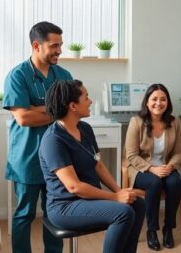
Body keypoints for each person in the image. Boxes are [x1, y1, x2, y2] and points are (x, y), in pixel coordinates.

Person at [39, 80, 145, 253]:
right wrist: (115, 198)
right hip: (65, 206)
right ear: (73, 105)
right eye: (86, 97)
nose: (90, 102)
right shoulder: (53, 139)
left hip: (87, 199)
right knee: (123, 213)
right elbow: (74, 187)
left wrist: (120, 192)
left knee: (137, 205)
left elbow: (98, 165)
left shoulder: (85, 129)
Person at [3, 21, 73, 253]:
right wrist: (55, 110)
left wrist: (38, 108)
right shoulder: (18, 75)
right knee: (25, 214)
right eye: (54, 45)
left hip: (57, 159)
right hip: (27, 158)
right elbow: (23, 118)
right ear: (36, 45)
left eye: (61, 45)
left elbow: (69, 112)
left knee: (55, 212)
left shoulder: (63, 75)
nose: (59, 50)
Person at [125, 83, 181, 250]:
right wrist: (152, 169)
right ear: (147, 102)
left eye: (163, 99)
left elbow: (179, 152)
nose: (159, 103)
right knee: (154, 183)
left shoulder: (174, 122)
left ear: (168, 102)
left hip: (166, 167)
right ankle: (151, 230)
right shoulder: (136, 122)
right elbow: (131, 155)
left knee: (174, 183)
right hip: (141, 168)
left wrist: (171, 166)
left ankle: (168, 229)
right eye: (155, 99)